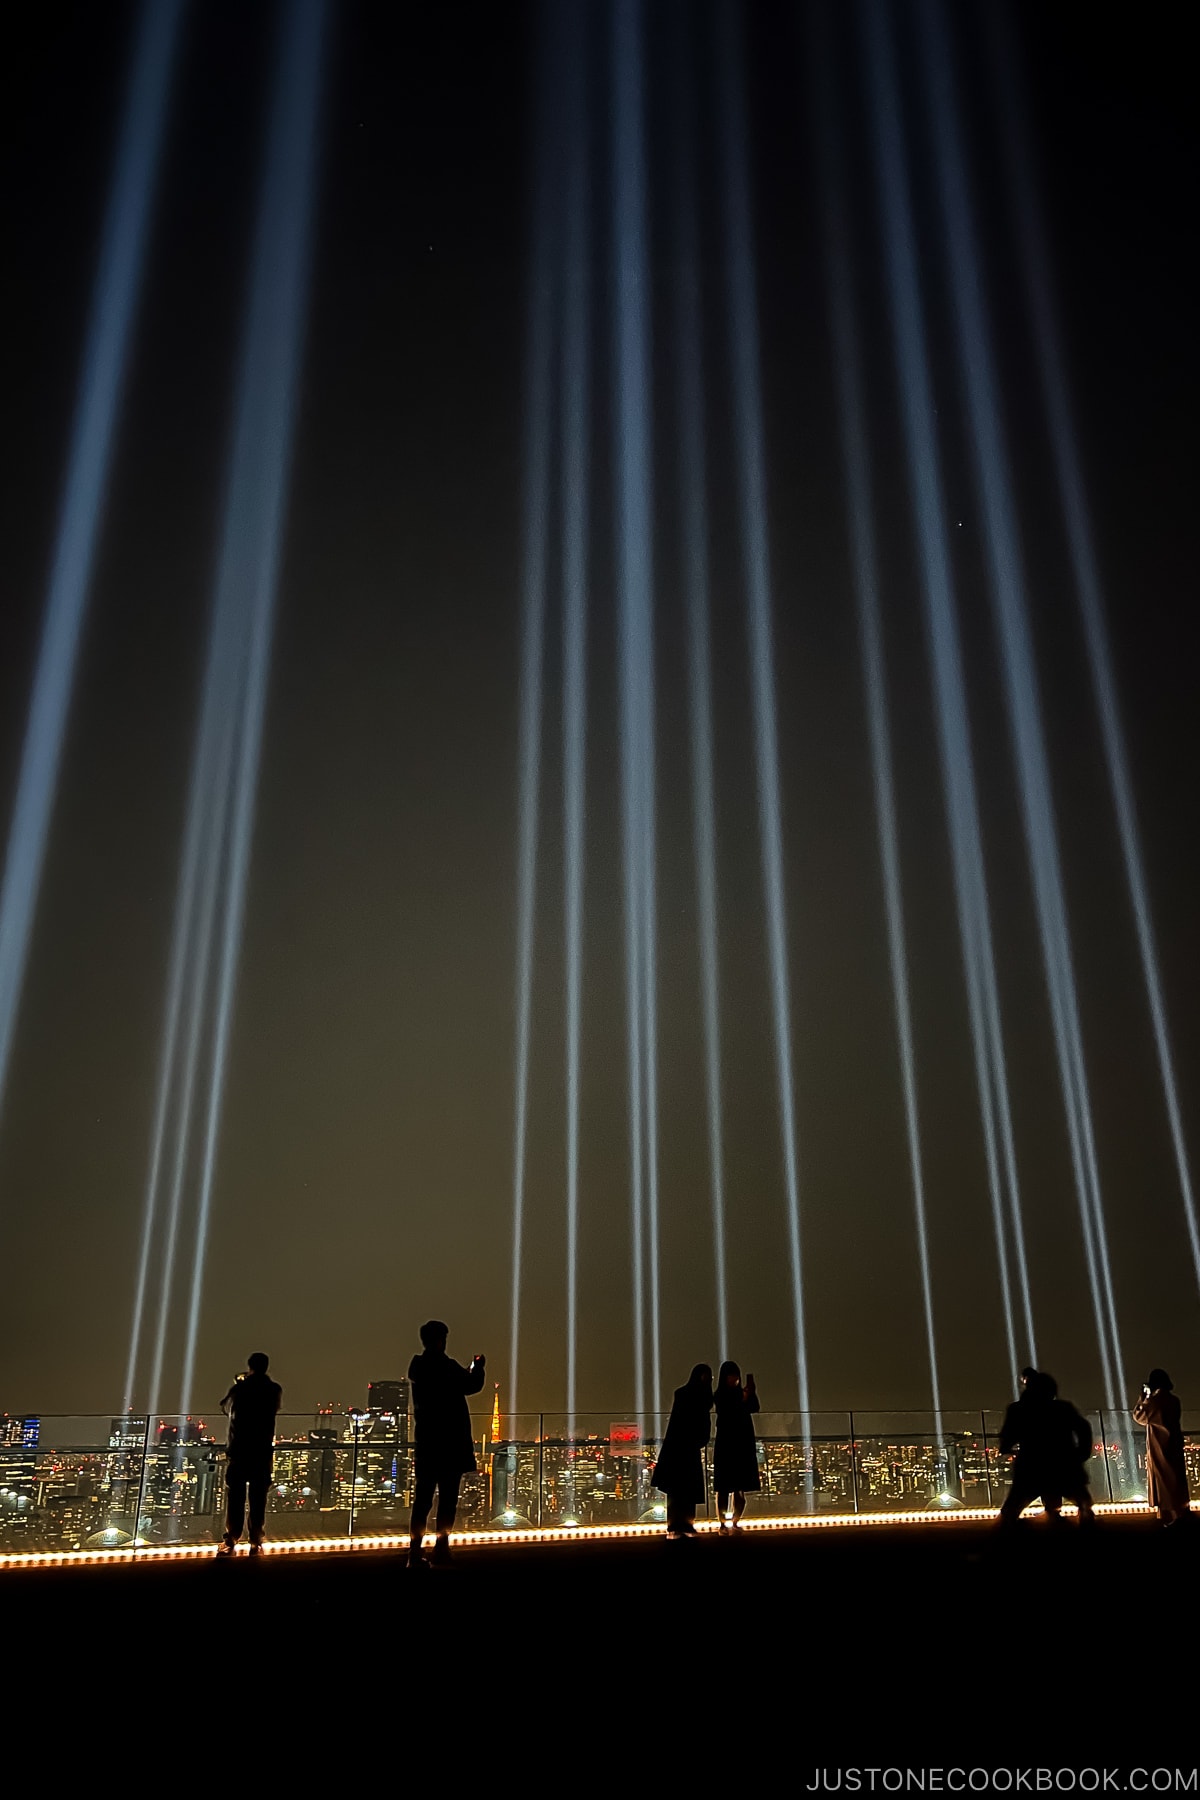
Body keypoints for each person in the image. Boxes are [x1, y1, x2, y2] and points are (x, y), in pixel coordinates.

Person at [407, 1320, 486, 1568]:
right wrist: (478, 1368)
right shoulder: (446, 1366)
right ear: (441, 1339)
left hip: (427, 1444)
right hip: (450, 1445)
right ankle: (441, 1549)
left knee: (422, 1501)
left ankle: (414, 1552)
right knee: (447, 1499)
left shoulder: (418, 1367)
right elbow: (471, 1385)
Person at [217, 1352, 282, 1556]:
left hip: (239, 1450)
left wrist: (240, 1380)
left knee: (235, 1496)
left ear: (249, 1365)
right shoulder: (273, 1389)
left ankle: (232, 1538)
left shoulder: (240, 1388)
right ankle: (256, 1540)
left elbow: (225, 1408)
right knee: (258, 1497)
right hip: (261, 1451)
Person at [652, 1364, 713, 1538]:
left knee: (676, 1488)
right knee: (687, 1487)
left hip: (676, 1448)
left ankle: (675, 1524)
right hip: (689, 1449)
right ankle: (686, 1524)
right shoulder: (701, 1396)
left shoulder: (682, 1394)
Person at [998, 1367, 1060, 1526]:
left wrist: (1005, 1447)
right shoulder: (1057, 1408)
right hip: (1051, 1460)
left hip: (1029, 1460)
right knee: (1053, 1505)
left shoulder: (1018, 1408)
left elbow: (1009, 1433)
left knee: (1012, 1508)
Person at [1133, 1369, 1191, 1526]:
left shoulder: (1155, 1401)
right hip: (1174, 1444)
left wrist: (1143, 1398)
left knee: (1164, 1480)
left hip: (1159, 1446)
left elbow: (1139, 1416)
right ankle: (1180, 1512)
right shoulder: (1174, 1400)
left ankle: (1171, 1516)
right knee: (1175, 1478)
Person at [713, 1361, 760, 1531]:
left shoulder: (740, 1393)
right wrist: (744, 1399)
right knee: (724, 1487)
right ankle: (723, 1524)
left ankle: (734, 1522)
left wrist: (750, 1394)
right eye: (731, 1374)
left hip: (741, 1443)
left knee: (739, 1487)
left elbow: (755, 1407)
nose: (735, 1378)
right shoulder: (720, 1395)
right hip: (728, 1444)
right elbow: (727, 1412)